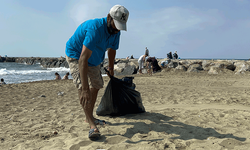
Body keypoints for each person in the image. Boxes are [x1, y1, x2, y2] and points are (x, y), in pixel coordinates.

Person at [65, 5, 129, 140]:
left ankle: (89, 117)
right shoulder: (95, 29)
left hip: (94, 59)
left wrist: (111, 68)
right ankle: (91, 124)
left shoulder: (116, 32)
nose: (117, 29)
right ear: (108, 18)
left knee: (97, 85)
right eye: (116, 25)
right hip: (76, 55)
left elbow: (112, 50)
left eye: (120, 26)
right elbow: (83, 59)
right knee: (83, 89)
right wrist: (84, 88)